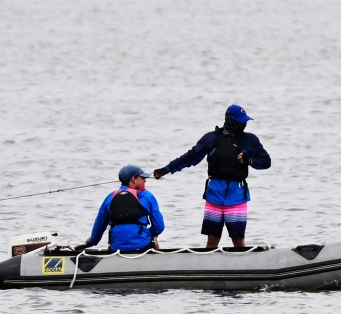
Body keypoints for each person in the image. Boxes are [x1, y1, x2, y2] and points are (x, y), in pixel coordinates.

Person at [153, 104, 271, 250]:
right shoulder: (212, 138)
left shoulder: (250, 140)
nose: (243, 124)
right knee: (212, 240)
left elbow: (266, 162)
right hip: (214, 195)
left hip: (237, 197)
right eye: (240, 121)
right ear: (230, 120)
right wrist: (166, 169)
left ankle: (243, 268)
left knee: (238, 240)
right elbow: (190, 157)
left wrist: (250, 160)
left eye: (244, 121)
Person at [86, 166, 165, 253]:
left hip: (116, 248)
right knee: (153, 239)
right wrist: (148, 234)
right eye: (142, 177)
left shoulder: (110, 197)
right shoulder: (147, 196)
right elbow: (159, 227)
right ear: (133, 179)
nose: (145, 180)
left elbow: (99, 225)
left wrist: (93, 241)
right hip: (143, 246)